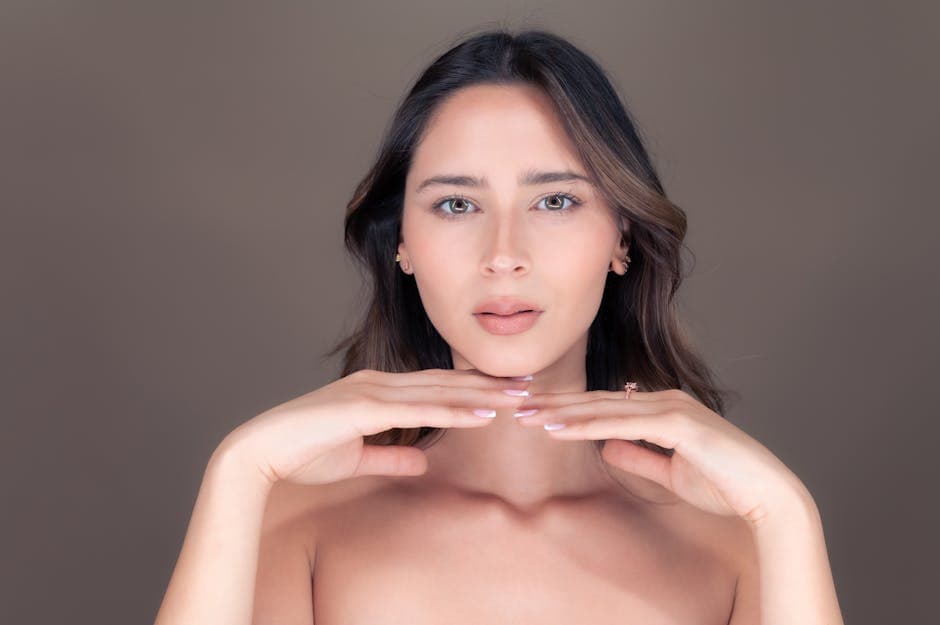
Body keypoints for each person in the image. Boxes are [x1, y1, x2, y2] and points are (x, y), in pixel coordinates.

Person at [154, 28, 845, 625]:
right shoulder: (300, 525)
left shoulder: (733, 542)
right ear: (402, 242)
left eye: (555, 200)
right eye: (456, 204)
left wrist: (788, 515)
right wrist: (239, 472)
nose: (504, 255)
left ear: (621, 236)